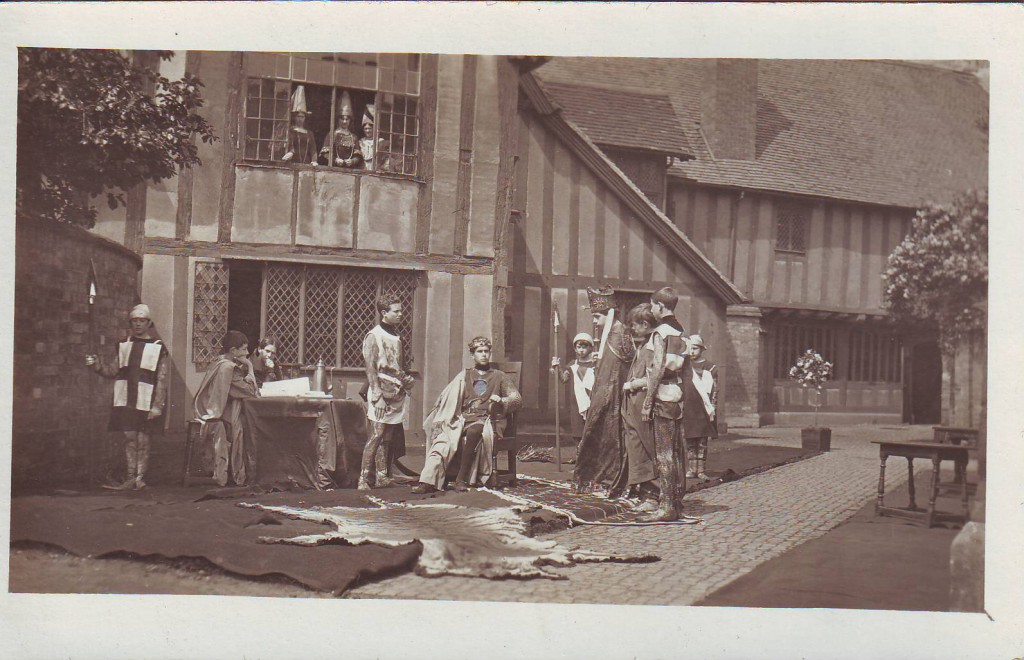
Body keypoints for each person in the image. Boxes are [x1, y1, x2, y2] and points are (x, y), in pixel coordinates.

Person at [412, 337, 522, 494]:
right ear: (473, 355)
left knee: (474, 431)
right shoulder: (465, 375)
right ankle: (428, 481)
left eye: (486, 351)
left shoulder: (500, 376)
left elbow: (516, 400)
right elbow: (446, 396)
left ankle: (461, 479)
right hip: (463, 419)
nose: (483, 355)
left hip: (489, 420)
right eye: (479, 352)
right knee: (443, 439)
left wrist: (502, 400)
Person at [86, 303, 169, 491]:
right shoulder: (124, 345)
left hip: (147, 400)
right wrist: (96, 365)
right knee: (130, 438)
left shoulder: (158, 348)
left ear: (149, 323)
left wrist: (157, 405)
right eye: (134, 321)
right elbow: (112, 370)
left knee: (143, 440)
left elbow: (162, 379)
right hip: (126, 399)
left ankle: (140, 478)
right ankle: (130, 476)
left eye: (142, 321)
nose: (138, 324)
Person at [573, 286, 636, 497]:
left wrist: (603, 399)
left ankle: (608, 482)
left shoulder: (618, 334)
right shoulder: (612, 334)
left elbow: (616, 372)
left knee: (609, 437)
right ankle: (596, 481)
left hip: (613, 396)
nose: (594, 320)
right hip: (605, 393)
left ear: (608, 314)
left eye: (597, 315)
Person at [359, 293, 415, 490]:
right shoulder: (374, 336)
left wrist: (406, 381)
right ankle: (364, 479)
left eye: (401, 310)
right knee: (376, 434)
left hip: (396, 392)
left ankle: (382, 476)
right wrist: (376, 395)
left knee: (388, 436)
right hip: (381, 391)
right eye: (396, 311)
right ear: (384, 313)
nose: (401, 314)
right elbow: (370, 368)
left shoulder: (397, 336)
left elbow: (398, 366)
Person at [193, 330, 260, 487]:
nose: (247, 352)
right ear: (233, 351)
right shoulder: (230, 368)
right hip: (219, 415)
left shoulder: (217, 362)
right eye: (243, 349)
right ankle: (241, 472)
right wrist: (250, 367)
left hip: (207, 411)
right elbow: (249, 391)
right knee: (248, 424)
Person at [620, 304, 661, 510]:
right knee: (636, 447)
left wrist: (632, 384)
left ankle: (652, 496)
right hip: (634, 405)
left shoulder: (652, 347)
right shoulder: (643, 344)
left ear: (645, 324)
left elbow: (653, 376)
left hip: (643, 402)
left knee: (645, 447)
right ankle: (643, 492)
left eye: (634, 325)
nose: (632, 329)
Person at [681, 334, 719, 481]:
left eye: (695, 348)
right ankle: (691, 469)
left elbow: (715, 389)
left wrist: (713, 407)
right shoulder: (684, 366)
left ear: (702, 349)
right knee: (690, 439)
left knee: (702, 441)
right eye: (690, 348)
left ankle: (701, 469)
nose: (692, 351)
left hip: (703, 407)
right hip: (689, 406)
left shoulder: (710, 367)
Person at [550, 333, 597, 444]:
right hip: (576, 402)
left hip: (592, 401)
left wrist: (598, 364)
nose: (581, 350)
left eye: (584, 347)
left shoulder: (595, 364)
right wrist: (557, 368)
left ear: (590, 348)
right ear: (575, 349)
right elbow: (563, 379)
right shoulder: (572, 365)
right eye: (578, 347)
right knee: (578, 431)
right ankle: (579, 456)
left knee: (592, 431)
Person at [321, 90, 362, 168]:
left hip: (349, 171)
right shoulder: (332, 134)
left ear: (350, 120)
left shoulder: (354, 137)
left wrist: (352, 161)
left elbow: (357, 156)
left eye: (347, 119)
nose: (344, 121)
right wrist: (335, 160)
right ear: (338, 119)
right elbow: (325, 153)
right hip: (333, 169)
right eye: (342, 119)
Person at [281, 85, 319, 166]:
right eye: (298, 116)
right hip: (292, 162)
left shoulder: (309, 133)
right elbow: (289, 145)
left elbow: (313, 150)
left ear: (305, 118)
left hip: (306, 164)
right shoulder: (290, 131)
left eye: (302, 117)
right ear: (294, 117)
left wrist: (314, 160)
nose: (300, 119)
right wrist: (290, 152)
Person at [359, 104, 390, 173]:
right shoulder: (361, 141)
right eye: (365, 129)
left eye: (369, 128)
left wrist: (382, 168)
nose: (367, 131)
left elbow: (386, 157)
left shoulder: (380, 141)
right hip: (362, 170)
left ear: (374, 129)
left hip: (376, 170)